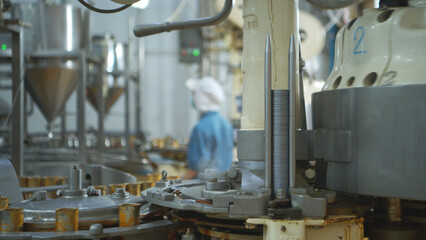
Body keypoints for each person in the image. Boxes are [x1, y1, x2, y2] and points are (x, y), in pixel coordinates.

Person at [182, 76, 234, 180]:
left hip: (203, 187)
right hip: (225, 184)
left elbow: (194, 168)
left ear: (201, 97)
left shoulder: (200, 128)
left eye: (194, 94)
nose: (193, 98)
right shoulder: (226, 125)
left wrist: (177, 183)